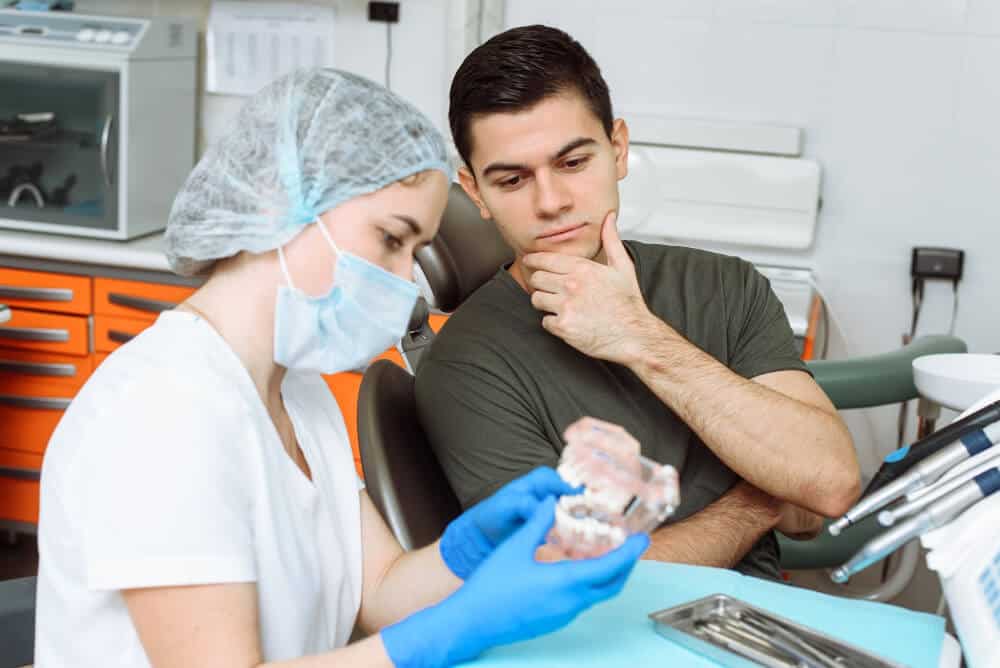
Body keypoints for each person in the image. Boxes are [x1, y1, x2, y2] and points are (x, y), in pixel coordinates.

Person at [33, 68, 649, 667]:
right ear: (282, 203)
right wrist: (452, 630)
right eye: (391, 238)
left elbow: (379, 590)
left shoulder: (294, 391)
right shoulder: (162, 412)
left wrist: (473, 548)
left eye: (416, 250)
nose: (408, 279)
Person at [415, 25, 862, 581]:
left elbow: (830, 484)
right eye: (512, 180)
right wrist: (758, 502)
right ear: (476, 192)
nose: (551, 202)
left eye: (573, 163)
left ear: (618, 149)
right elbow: (565, 579)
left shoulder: (724, 287)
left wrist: (638, 336)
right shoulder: (464, 365)